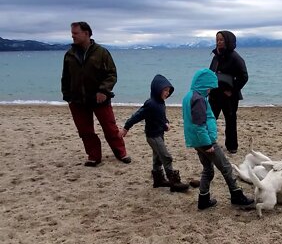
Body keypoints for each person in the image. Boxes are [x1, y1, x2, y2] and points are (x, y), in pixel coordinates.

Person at [182, 68, 254, 210]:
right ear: (203, 84)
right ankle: (236, 195)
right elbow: (199, 125)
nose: (210, 91)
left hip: (198, 141)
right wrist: (208, 143)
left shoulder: (189, 96)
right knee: (226, 167)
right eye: (209, 88)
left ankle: (203, 199)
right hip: (205, 140)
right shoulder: (198, 99)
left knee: (208, 169)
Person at [61, 21, 130, 166]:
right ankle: (93, 156)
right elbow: (65, 78)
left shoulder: (101, 52)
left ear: (86, 34)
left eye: (75, 33)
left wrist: (104, 90)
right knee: (85, 131)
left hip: (100, 99)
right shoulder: (69, 54)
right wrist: (67, 97)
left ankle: (121, 153)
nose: (72, 36)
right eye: (72, 33)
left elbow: (112, 74)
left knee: (110, 128)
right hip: (77, 101)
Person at [119, 75, 190, 192]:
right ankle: (174, 182)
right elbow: (137, 116)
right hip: (153, 136)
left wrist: (166, 123)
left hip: (159, 134)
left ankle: (158, 180)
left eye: (168, 91)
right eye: (165, 90)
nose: (167, 93)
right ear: (157, 89)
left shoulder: (161, 102)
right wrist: (126, 128)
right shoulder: (151, 103)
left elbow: (161, 117)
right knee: (167, 157)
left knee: (157, 158)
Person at [208, 31, 248, 154]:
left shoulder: (235, 57)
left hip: (229, 96)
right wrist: (207, 87)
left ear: (228, 41)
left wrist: (232, 90)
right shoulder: (215, 56)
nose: (218, 42)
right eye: (217, 39)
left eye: (221, 40)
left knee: (230, 121)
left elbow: (244, 76)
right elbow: (210, 73)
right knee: (210, 119)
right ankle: (207, 143)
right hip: (214, 94)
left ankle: (232, 146)